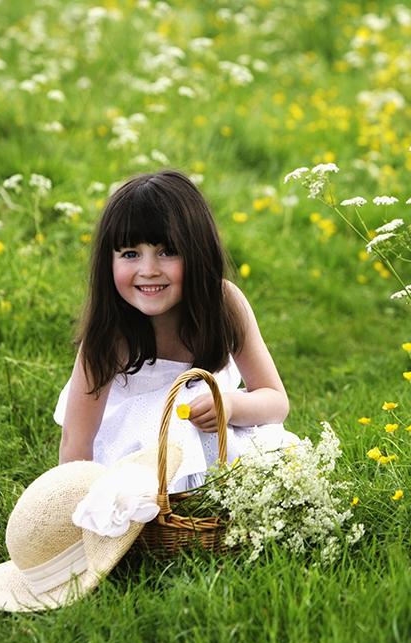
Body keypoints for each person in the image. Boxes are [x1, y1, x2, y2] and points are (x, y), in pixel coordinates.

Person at [55, 169, 297, 492]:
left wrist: (231, 406)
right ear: (108, 262)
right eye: (130, 254)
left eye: (167, 251)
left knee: (271, 456)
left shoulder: (224, 305)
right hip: (136, 452)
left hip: (210, 435)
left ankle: (210, 503)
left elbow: (276, 401)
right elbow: (76, 439)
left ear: (197, 252)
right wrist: (77, 507)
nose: (149, 270)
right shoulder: (111, 333)